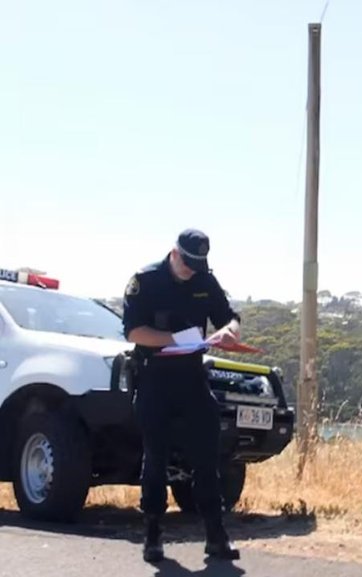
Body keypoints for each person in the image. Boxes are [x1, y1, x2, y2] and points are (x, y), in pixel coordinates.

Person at [122, 228, 241, 563]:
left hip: (191, 378)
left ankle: (216, 536)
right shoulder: (146, 281)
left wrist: (229, 332)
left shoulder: (205, 281)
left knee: (207, 455)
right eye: (187, 263)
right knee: (155, 458)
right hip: (155, 378)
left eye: (197, 265)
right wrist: (174, 339)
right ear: (174, 253)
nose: (191, 270)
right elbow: (133, 331)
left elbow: (228, 317)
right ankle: (153, 535)